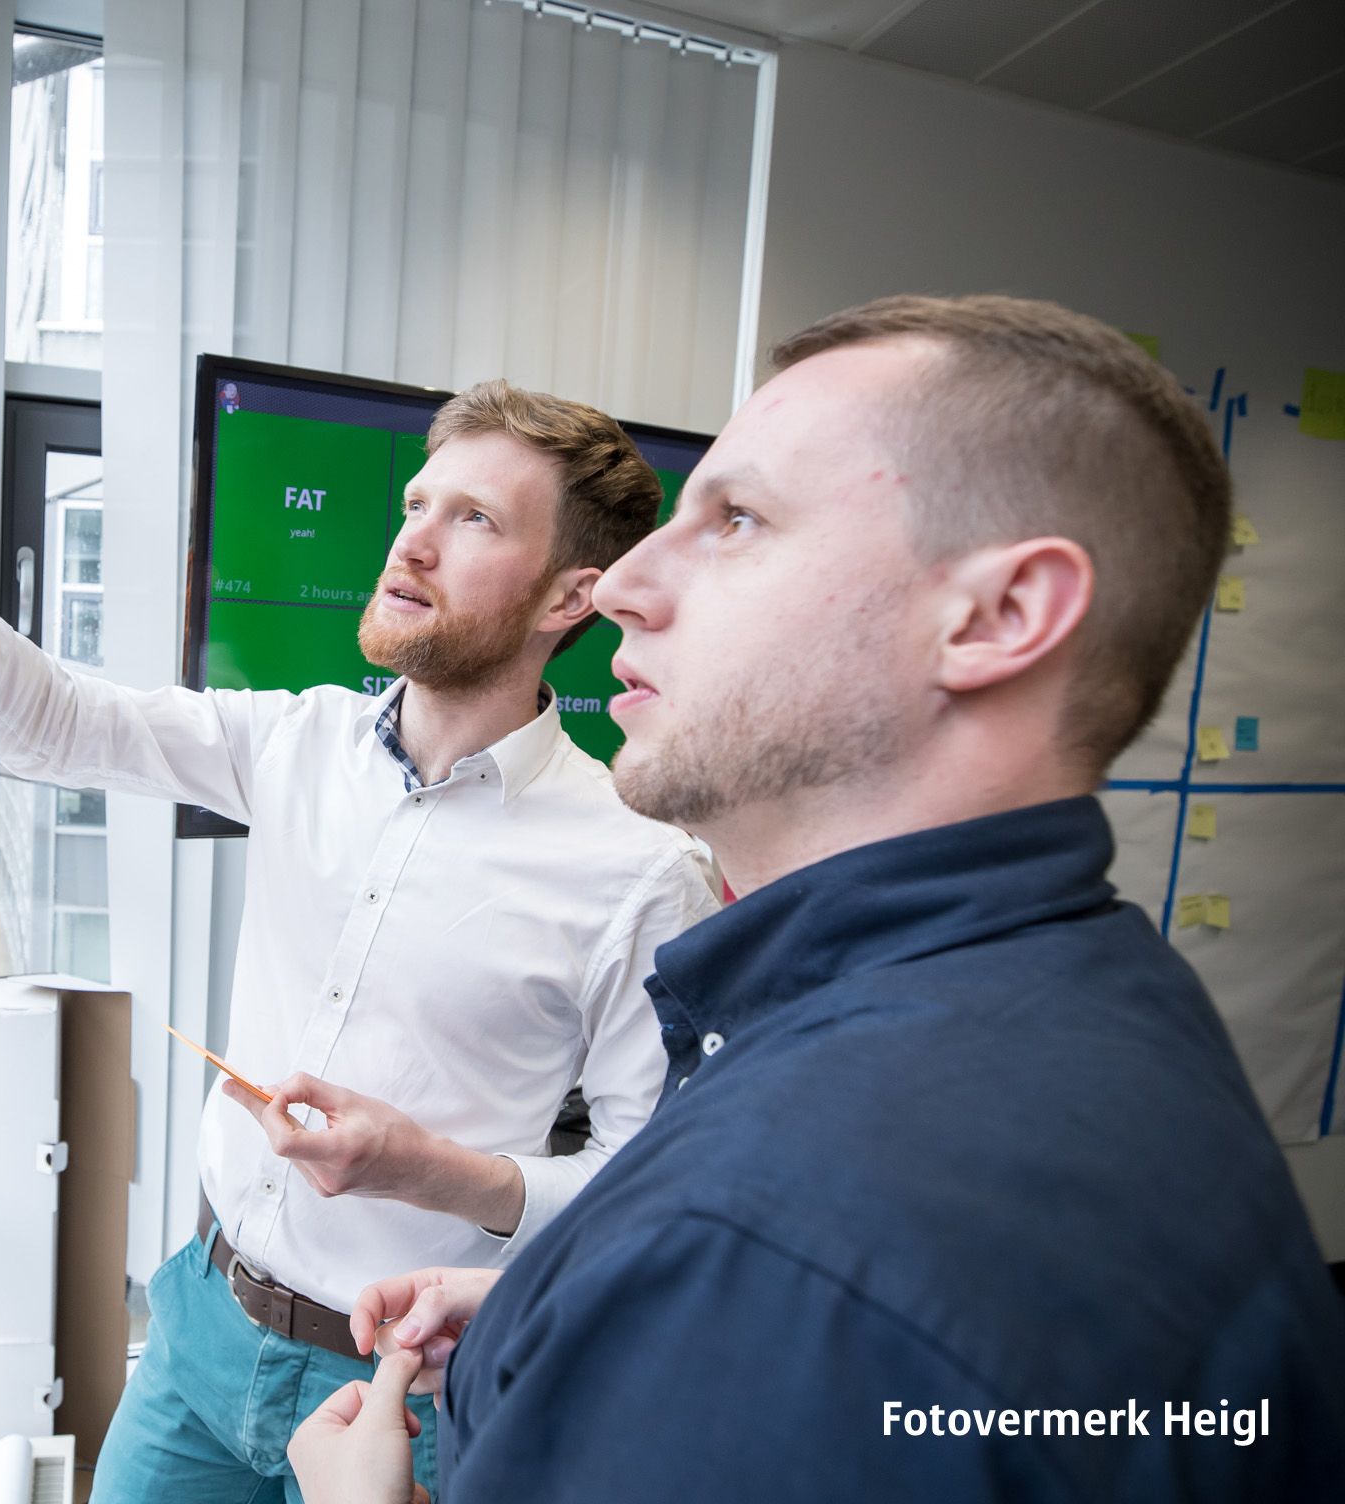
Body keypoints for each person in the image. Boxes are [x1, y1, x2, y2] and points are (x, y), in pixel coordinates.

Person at [286, 294, 1345, 1502]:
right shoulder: (1109, 1001)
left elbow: (814, 1292)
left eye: (736, 519)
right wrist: (591, 1308)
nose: (620, 585)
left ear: (998, 617)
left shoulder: (774, 1236)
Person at [0, 371, 718, 1501]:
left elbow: (646, 1188)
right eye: (417, 504)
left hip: (408, 1388)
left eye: (473, 519)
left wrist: (434, 1172)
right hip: (200, 1328)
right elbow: (45, 720)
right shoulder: (296, 742)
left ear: (571, 597)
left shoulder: (639, 868)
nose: (412, 543)